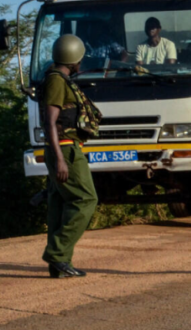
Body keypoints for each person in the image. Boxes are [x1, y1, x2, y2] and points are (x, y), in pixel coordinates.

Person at [40, 34, 102, 278]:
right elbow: (50, 122)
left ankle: (59, 263)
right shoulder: (57, 81)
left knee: (60, 202)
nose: (81, 63)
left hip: (62, 149)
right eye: (80, 59)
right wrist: (61, 158)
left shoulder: (56, 79)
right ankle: (57, 253)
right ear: (74, 59)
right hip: (65, 148)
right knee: (86, 200)